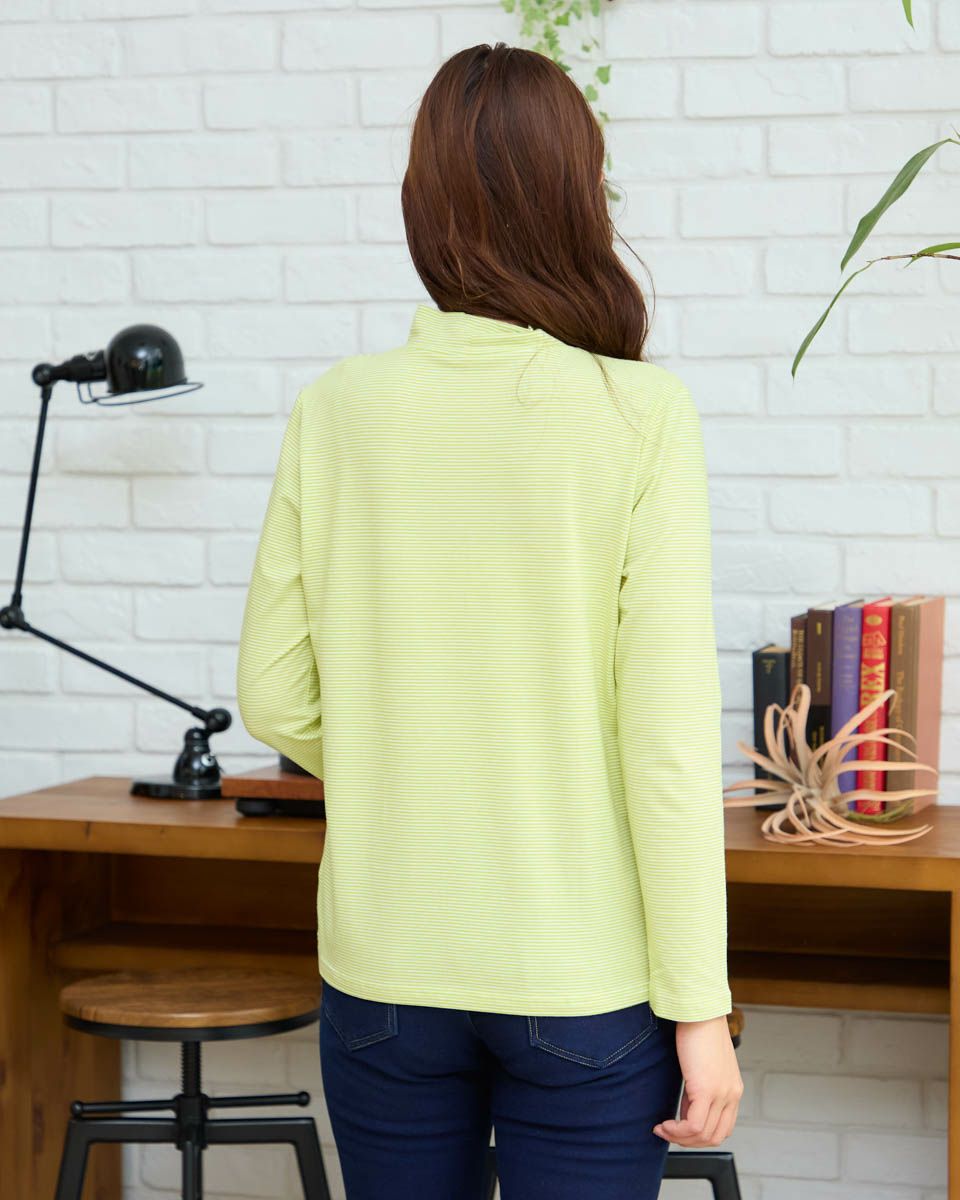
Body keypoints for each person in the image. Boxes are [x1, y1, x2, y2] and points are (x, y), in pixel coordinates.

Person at [236, 39, 743, 1200]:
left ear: (424, 202)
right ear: (578, 196)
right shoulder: (639, 413)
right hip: (581, 979)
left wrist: (404, 759)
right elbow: (665, 744)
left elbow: (271, 693)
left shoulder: (336, 409)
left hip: (384, 973)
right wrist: (700, 1010)